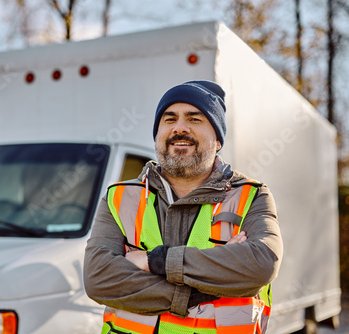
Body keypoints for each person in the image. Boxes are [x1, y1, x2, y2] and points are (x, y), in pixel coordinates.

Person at [83, 80, 283, 334]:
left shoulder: (252, 196)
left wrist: (153, 261)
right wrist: (203, 288)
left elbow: (260, 265)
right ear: (157, 135)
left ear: (218, 140)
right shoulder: (120, 197)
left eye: (194, 119)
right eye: (169, 119)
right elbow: (98, 279)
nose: (180, 128)